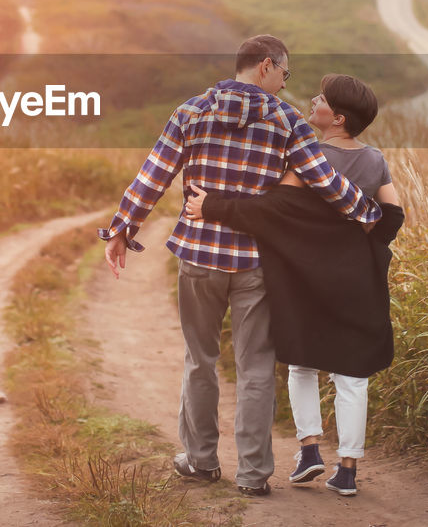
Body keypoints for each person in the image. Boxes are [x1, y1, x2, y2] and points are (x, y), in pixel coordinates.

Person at [100, 37, 381, 497]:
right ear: (266, 66)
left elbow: (154, 174)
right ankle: (253, 476)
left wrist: (121, 229)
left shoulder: (190, 111)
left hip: (198, 257)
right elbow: (325, 182)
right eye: (285, 75)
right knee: (255, 370)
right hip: (256, 263)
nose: (286, 85)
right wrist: (370, 215)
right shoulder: (287, 121)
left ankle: (201, 461)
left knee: (200, 362)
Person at [185, 73, 402, 498]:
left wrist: (212, 206)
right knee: (352, 375)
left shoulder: (308, 155)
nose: (312, 101)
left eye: (320, 99)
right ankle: (348, 470)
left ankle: (309, 451)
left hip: (305, 276)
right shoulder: (376, 160)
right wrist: (355, 239)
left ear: (336, 118)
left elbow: (274, 209)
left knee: (302, 364)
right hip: (356, 278)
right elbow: (392, 219)